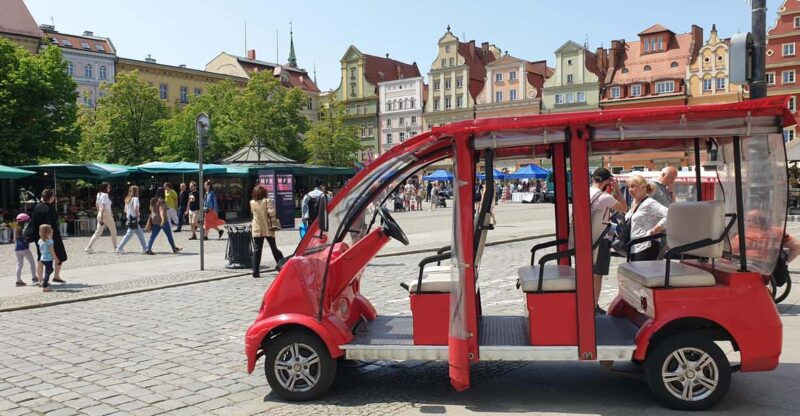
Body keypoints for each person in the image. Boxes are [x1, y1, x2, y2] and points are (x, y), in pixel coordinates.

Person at [586, 168, 628, 314]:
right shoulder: (604, 197)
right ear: (607, 180)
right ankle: (593, 306)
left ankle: (587, 303)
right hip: (600, 239)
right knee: (597, 275)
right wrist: (617, 188)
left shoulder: (586, 192)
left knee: (587, 274)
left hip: (586, 239)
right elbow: (624, 207)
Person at [625, 175, 668, 262]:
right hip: (634, 246)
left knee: (642, 274)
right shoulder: (634, 202)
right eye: (629, 187)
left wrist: (656, 229)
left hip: (646, 246)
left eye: (633, 186)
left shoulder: (650, 203)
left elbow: (670, 215)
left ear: (643, 187)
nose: (630, 189)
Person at [30, 189, 67, 284]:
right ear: (51, 197)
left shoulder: (37, 207)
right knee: (60, 255)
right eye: (53, 196)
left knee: (40, 257)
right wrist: (50, 236)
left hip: (39, 236)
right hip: (51, 236)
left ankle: (40, 280)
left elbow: (34, 223)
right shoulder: (50, 209)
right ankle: (56, 276)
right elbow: (52, 224)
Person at [250, 186, 285, 277]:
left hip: (257, 228)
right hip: (268, 228)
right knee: (274, 248)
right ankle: (282, 267)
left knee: (257, 250)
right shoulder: (267, 201)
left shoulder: (252, 202)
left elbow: (253, 213)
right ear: (264, 193)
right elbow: (272, 212)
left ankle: (255, 271)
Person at [146, 188, 182, 254]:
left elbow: (150, 209)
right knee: (169, 236)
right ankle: (174, 248)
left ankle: (148, 249)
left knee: (153, 235)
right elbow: (161, 210)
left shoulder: (152, 200)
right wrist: (162, 219)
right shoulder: (162, 201)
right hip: (163, 221)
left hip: (155, 220)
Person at [84, 182, 117, 254]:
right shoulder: (105, 195)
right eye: (108, 187)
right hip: (106, 214)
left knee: (98, 232)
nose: (109, 189)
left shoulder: (98, 194)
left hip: (100, 213)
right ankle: (115, 248)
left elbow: (97, 205)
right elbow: (103, 207)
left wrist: (99, 214)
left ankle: (89, 247)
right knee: (113, 231)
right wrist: (102, 215)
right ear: (105, 188)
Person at [116, 185, 148, 255]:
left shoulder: (127, 198)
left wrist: (129, 215)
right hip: (134, 219)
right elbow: (136, 208)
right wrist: (137, 216)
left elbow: (125, 210)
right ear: (136, 191)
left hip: (130, 218)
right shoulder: (135, 199)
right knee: (129, 235)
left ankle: (145, 248)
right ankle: (119, 248)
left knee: (140, 234)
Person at [13, 213, 36, 287]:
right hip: (25, 249)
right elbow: (27, 238)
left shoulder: (16, 229)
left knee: (19, 265)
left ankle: (18, 280)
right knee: (32, 262)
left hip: (17, 249)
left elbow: (14, 240)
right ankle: (34, 277)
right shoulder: (25, 229)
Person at [37, 224, 58, 292]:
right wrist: (56, 258)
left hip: (43, 258)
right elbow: (52, 251)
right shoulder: (49, 241)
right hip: (48, 259)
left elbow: (40, 250)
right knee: (48, 272)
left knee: (50, 270)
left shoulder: (40, 240)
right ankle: (45, 286)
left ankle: (44, 282)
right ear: (48, 232)